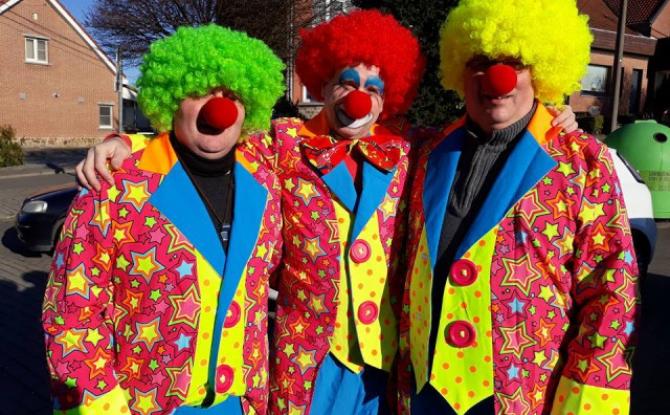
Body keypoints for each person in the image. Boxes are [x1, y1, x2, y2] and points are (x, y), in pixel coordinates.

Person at [74, 9, 578, 415]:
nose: (358, 99)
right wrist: (131, 142)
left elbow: (486, 131)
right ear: (322, 84)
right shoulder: (283, 144)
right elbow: (213, 138)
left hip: (386, 366)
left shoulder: (413, 149)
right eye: (346, 82)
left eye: (374, 88)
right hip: (307, 361)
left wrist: (551, 113)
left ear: (389, 99)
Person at [397, 1, 639, 414]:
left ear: (541, 71)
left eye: (515, 64)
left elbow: (612, 292)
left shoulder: (582, 161)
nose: (498, 78)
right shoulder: (425, 152)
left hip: (522, 397)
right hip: (424, 390)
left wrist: (584, 405)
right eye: (480, 63)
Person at [42, 25, 285, 415]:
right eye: (200, 92)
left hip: (242, 401)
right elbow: (72, 312)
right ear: (171, 98)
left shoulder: (265, 179)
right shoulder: (115, 184)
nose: (219, 109)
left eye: (234, 96)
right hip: (144, 405)